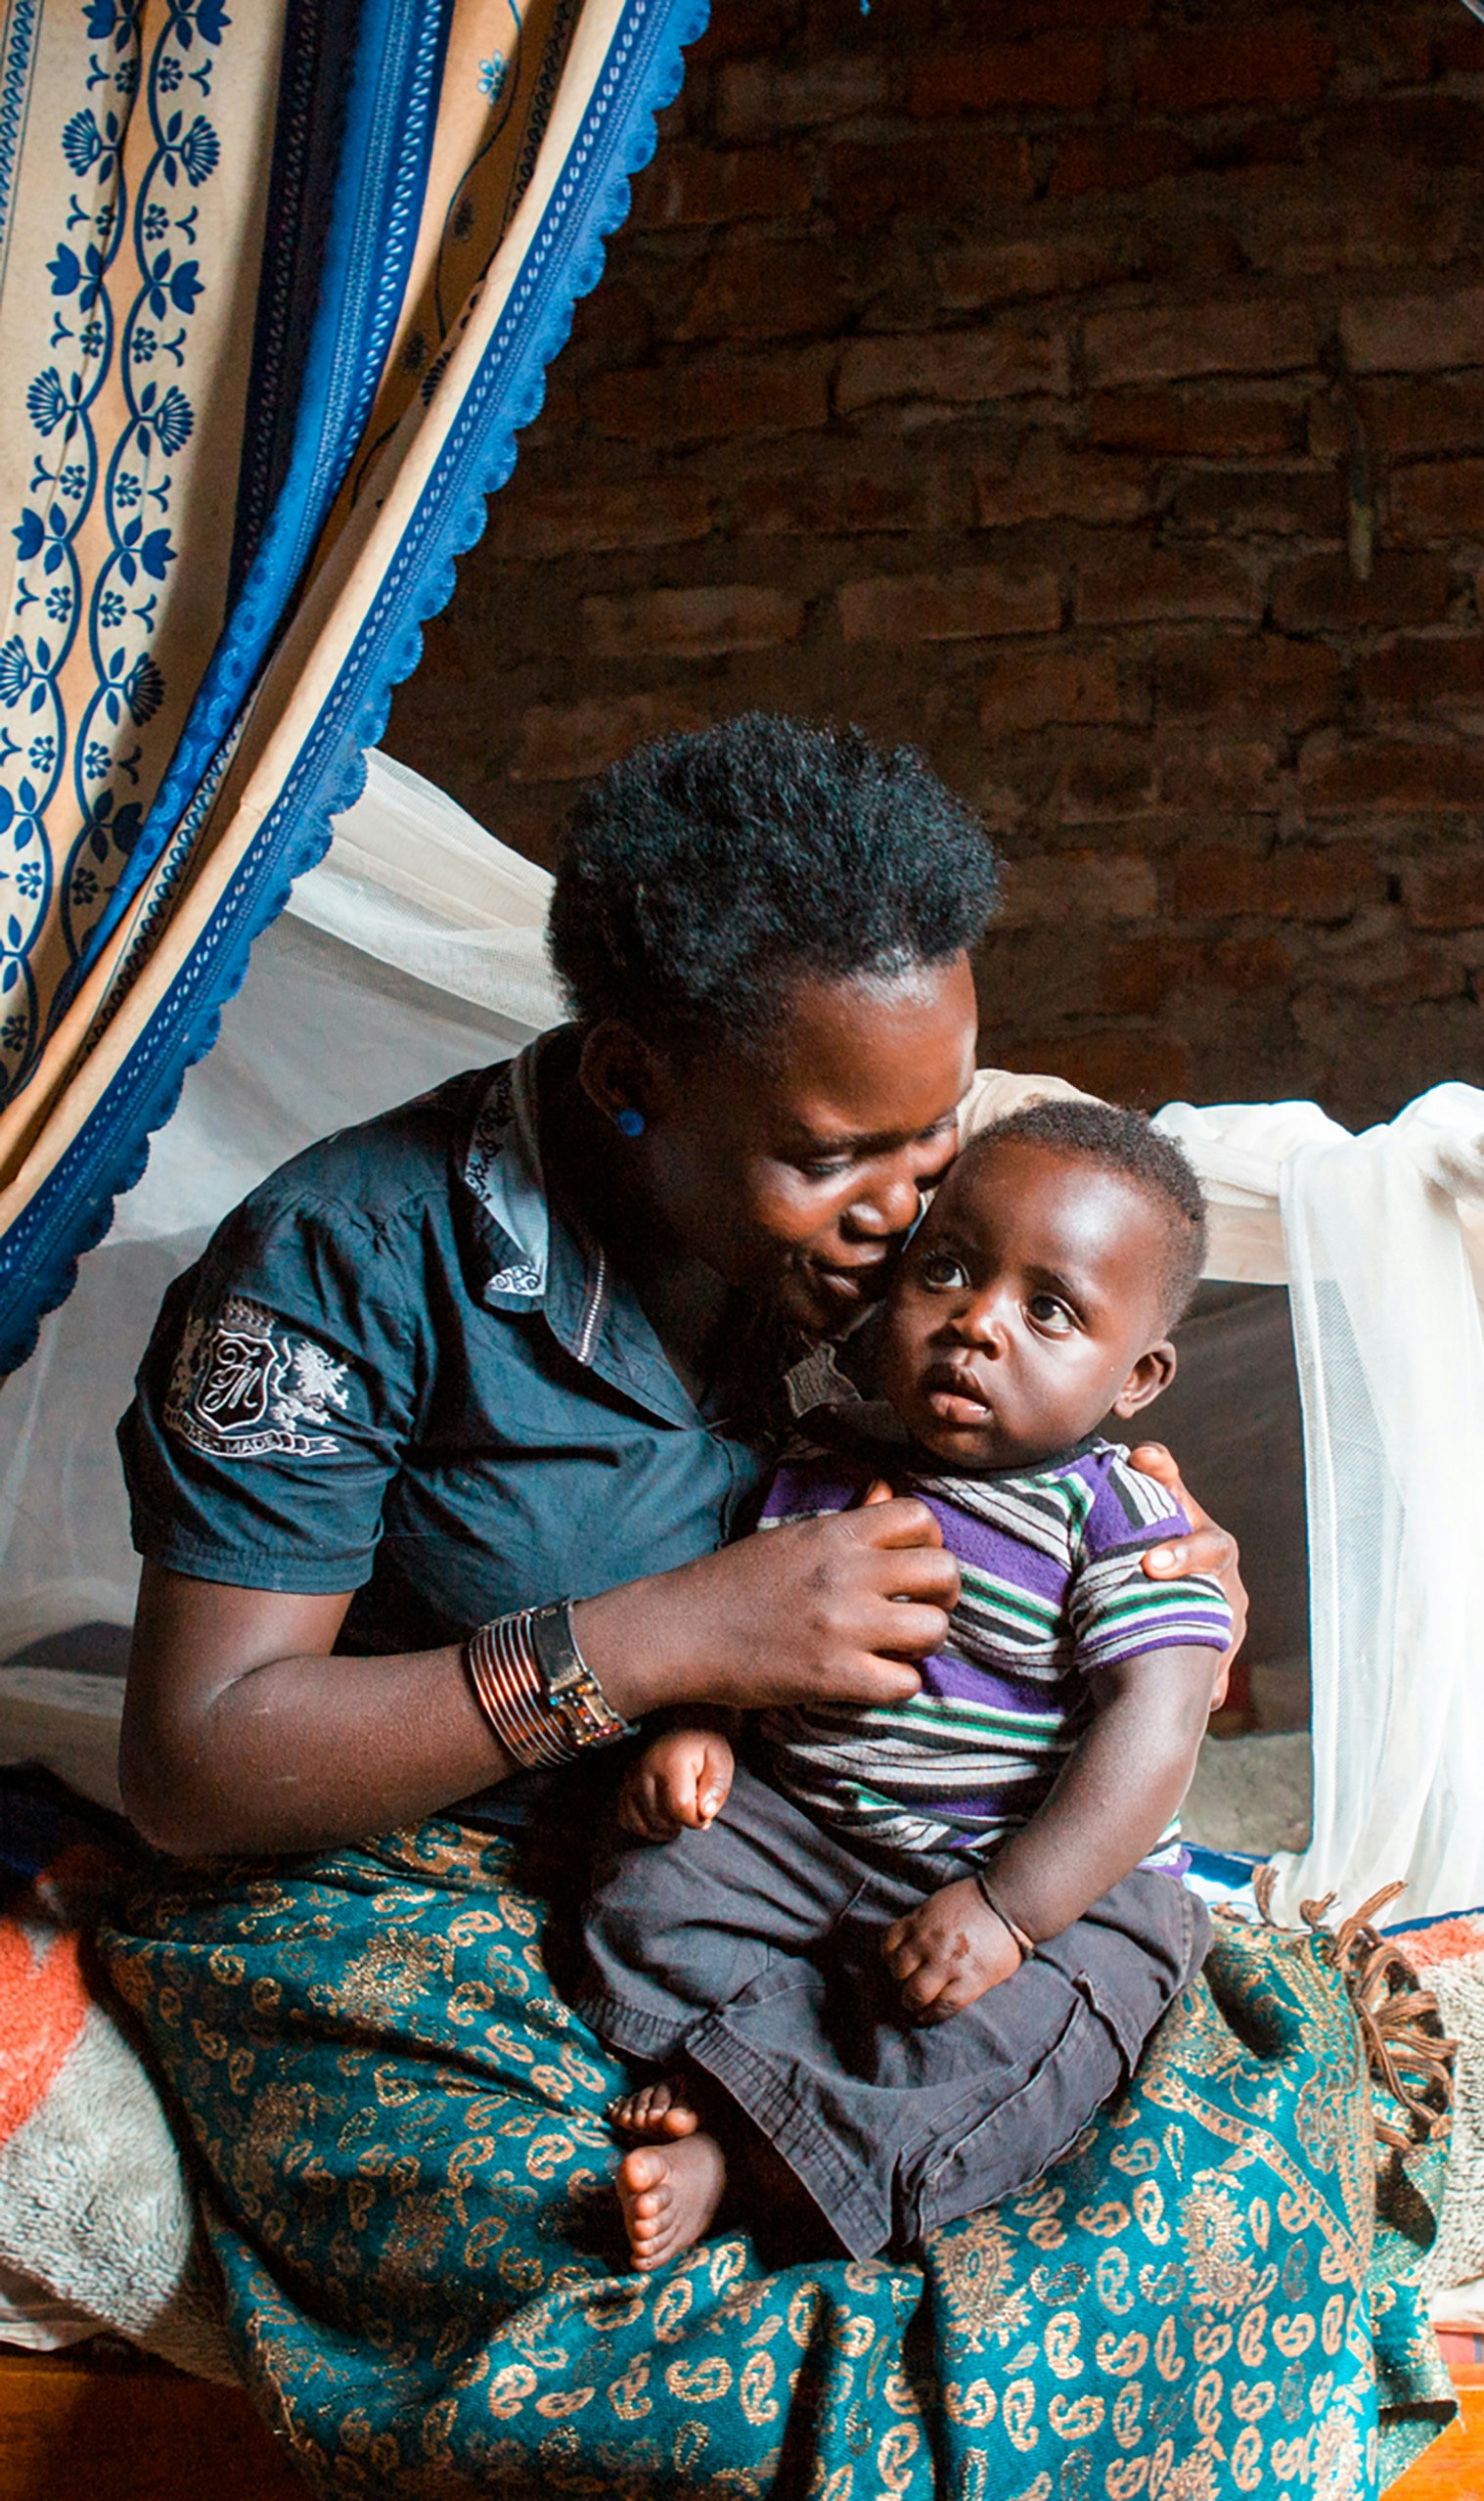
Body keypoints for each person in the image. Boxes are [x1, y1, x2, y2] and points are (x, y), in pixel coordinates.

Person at [99, 718, 1246, 2459]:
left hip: (788, 1842)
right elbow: (194, 1768)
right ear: (631, 1077)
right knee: (650, 2307)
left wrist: (1149, 1553)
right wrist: (666, 1637)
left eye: (935, 1134)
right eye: (833, 1156)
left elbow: (1048, 1411)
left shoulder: (910, 1249)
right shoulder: (342, 1264)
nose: (903, 1210)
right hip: (394, 1881)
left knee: (1181, 2125)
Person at [580, 1100, 1234, 2270]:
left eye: (1048, 1310)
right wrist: (702, 1726)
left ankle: (737, 2152)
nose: (975, 1325)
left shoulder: (1122, 1521)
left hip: (1037, 1867)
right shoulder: (825, 1453)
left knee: (1015, 2048)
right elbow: (744, 1619)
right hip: (814, 1828)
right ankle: (746, 2065)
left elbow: (1158, 1724)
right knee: (646, 1884)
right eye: (946, 1269)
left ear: (1135, 1376)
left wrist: (1008, 1912)